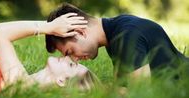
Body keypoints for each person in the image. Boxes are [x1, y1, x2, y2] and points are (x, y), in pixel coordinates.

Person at [0, 13, 95, 96]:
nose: (66, 58)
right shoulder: (22, 80)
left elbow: (0, 31)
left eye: (71, 65)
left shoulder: (20, 85)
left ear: (61, 81)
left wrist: (49, 27)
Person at [45, 3, 189, 82]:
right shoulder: (115, 34)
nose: (74, 60)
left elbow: (138, 97)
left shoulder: (126, 34)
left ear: (79, 31)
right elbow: (122, 88)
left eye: (70, 52)